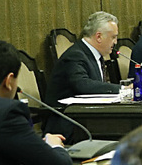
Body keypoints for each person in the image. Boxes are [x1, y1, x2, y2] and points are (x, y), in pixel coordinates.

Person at [46, 11, 123, 140]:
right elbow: (83, 85)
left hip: (87, 119)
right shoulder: (76, 55)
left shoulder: (92, 54)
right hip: (69, 125)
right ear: (99, 37)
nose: (115, 42)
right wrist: (123, 89)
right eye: (113, 37)